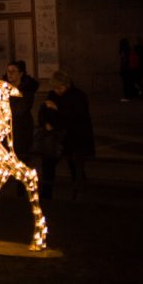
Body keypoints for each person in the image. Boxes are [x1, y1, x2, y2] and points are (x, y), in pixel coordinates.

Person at [37, 70, 94, 202]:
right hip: (57, 137)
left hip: (75, 137)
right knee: (48, 164)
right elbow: (43, 112)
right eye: (55, 88)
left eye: (60, 88)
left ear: (67, 85)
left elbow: (77, 116)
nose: (57, 91)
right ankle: (46, 195)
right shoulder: (52, 95)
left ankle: (78, 195)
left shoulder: (79, 96)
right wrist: (45, 123)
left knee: (76, 167)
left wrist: (58, 108)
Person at [5, 59, 38, 161]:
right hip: (6, 127)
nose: (10, 74)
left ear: (20, 74)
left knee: (21, 157)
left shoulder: (26, 90)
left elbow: (21, 109)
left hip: (21, 127)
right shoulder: (4, 88)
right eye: (8, 71)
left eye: (13, 71)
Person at [119, 37, 137, 102]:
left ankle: (126, 96)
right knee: (130, 83)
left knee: (126, 83)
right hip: (130, 69)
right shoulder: (129, 49)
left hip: (126, 69)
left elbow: (124, 60)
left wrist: (122, 68)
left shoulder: (123, 50)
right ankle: (132, 95)